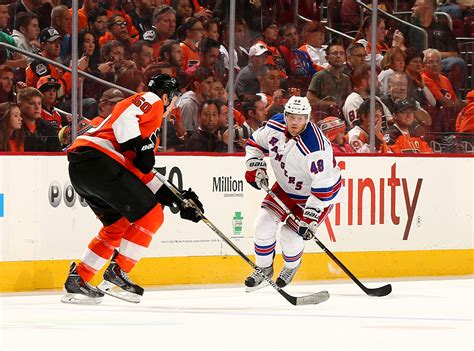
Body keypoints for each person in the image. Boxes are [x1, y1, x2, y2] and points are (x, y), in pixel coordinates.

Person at [61, 74, 204, 305]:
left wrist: (176, 197)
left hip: (84, 167)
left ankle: (79, 280)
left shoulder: (146, 132)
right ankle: (117, 274)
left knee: (117, 226)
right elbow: (124, 113)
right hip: (99, 160)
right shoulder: (153, 100)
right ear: (167, 96)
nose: (174, 105)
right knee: (152, 215)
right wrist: (136, 145)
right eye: (175, 99)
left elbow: (140, 171)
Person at [243, 96, 342, 289]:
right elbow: (254, 143)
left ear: (308, 118)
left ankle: (290, 266)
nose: (295, 121)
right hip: (286, 186)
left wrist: (310, 217)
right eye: (291, 116)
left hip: (315, 195)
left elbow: (323, 185)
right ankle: (263, 269)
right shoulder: (275, 125)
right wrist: (256, 167)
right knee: (262, 224)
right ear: (285, 115)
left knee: (290, 234)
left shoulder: (316, 148)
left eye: (300, 117)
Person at [17, 87, 61, 152]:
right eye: (32, 103)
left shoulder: (48, 127)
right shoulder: (13, 127)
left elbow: (57, 154)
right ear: (20, 106)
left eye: (39, 103)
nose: (37, 107)